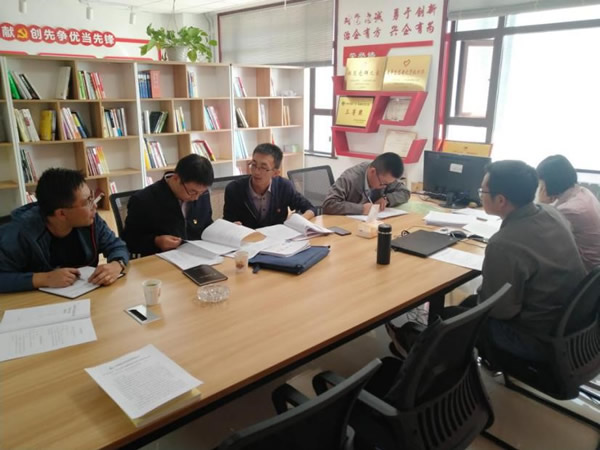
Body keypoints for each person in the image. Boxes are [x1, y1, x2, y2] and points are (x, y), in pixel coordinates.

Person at [389, 161, 586, 362]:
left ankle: (423, 359)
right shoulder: (551, 213)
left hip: (534, 337)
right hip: (568, 324)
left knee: (445, 322)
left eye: (483, 191)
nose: (480, 195)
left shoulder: (505, 243)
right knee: (465, 305)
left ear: (501, 200)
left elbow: (500, 311)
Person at [0, 168, 129, 293]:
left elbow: (117, 246)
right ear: (61, 214)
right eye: (87, 202)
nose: (94, 205)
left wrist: (117, 264)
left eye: (92, 197)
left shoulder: (91, 220)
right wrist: (44, 278)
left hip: (84, 295)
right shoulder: (19, 232)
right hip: (35, 302)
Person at [123, 154, 214, 257]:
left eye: (202, 193)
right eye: (192, 192)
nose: (196, 198)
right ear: (176, 178)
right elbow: (129, 241)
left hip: (197, 257)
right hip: (160, 260)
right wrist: (156, 241)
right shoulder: (143, 200)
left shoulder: (202, 195)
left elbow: (206, 225)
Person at [223, 143, 316, 228]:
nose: (256, 172)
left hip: (277, 239)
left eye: (263, 168)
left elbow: (310, 208)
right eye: (254, 165)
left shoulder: (284, 186)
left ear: (275, 173)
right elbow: (228, 222)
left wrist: (298, 221)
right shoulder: (234, 190)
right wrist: (231, 226)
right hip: (246, 239)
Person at [537, 154, 600, 272]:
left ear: (549, 183)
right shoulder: (583, 192)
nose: (540, 188)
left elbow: (540, 236)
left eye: (541, 184)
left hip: (585, 271)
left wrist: (541, 203)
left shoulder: (568, 210)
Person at [322, 152, 410, 215]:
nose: (385, 187)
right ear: (372, 172)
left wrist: (387, 199)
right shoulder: (350, 178)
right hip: (345, 225)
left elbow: (405, 192)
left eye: (388, 184)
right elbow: (329, 204)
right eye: (383, 183)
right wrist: (361, 209)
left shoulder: (385, 177)